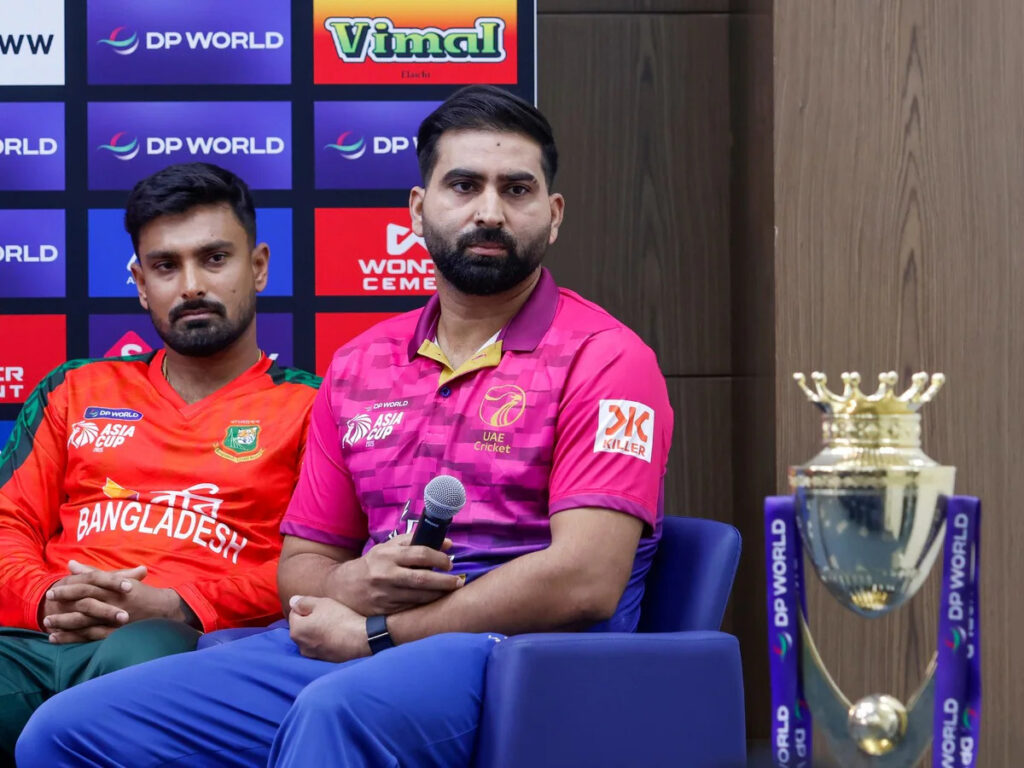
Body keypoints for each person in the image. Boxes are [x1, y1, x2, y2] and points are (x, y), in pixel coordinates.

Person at [16, 86, 673, 768]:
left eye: (516, 189)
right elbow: (303, 565)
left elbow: (585, 580)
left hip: (524, 661)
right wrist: (349, 587)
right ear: (418, 210)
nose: (489, 211)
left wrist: (380, 632)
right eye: (463, 185)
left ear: (553, 215)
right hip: (362, 646)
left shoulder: (607, 359)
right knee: (68, 731)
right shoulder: (361, 364)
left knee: (333, 713)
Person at [0, 162, 319, 764]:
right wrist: (45, 597)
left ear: (258, 266)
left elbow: (321, 564)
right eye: (166, 266)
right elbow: (7, 522)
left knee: (144, 656)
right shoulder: (75, 389)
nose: (191, 285)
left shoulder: (312, 406)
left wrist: (184, 604)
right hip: (39, 638)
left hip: (183, 647)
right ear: (141, 283)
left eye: (214, 259)